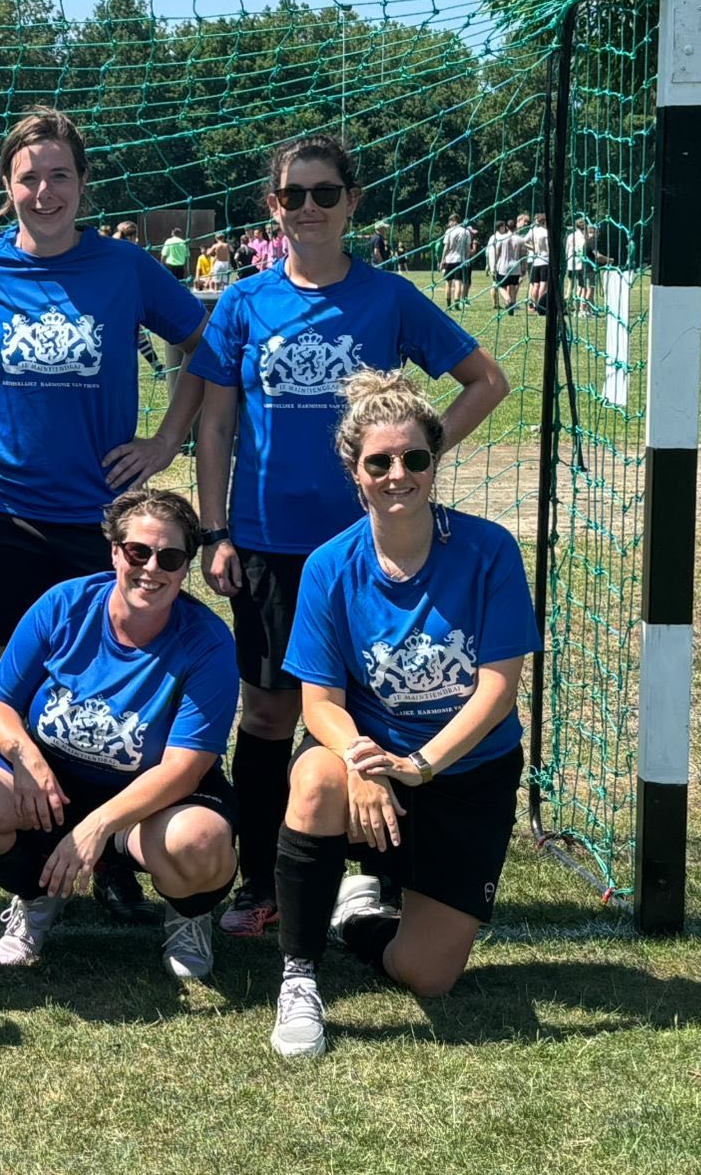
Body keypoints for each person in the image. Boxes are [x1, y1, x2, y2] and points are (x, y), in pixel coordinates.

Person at [188, 133, 508, 941]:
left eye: (324, 193)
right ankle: (261, 877)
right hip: (266, 540)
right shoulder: (244, 302)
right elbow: (216, 421)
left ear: (352, 201)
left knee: (377, 705)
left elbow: (485, 381)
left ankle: (376, 877)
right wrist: (217, 528)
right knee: (269, 712)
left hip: (372, 551)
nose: (308, 209)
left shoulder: (389, 297)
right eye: (292, 196)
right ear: (273, 207)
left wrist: (415, 463)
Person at [0, 104, 208, 923]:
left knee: (117, 694)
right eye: (29, 176)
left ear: (83, 182)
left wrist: (166, 439)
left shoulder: (124, 268)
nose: (44, 190)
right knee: (31, 696)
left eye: (59, 175)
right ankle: (42, 878)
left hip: (99, 520)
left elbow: (202, 342)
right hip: (2, 511)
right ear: (8, 186)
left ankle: (109, 851)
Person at [265, 370, 541, 1058]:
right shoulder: (330, 566)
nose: (398, 475)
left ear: (435, 461)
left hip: (463, 770)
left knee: (429, 975)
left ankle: (356, 917)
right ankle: (298, 978)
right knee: (315, 779)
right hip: (370, 756)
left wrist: (420, 766)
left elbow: (497, 690)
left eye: (414, 458)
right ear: (354, 472)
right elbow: (319, 703)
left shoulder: (488, 551)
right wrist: (363, 763)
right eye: (379, 462)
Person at [0, 487, 238, 979]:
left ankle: (187, 915)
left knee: (200, 842)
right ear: (115, 551)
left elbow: (186, 768)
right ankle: (38, 898)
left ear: (186, 567)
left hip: (151, 805)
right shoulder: (65, 604)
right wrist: (25, 758)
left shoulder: (206, 641)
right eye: (138, 552)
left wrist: (96, 827)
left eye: (170, 557)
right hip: (52, 789)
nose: (152, 568)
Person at [567, 217, 599, 312]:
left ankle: (572, 305)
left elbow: (567, 250)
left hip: (571, 263)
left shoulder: (570, 236)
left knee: (571, 286)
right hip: (581, 264)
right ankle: (583, 308)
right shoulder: (585, 238)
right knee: (583, 287)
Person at [525, 211, 552, 314]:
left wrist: (533, 248)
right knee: (543, 285)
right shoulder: (546, 232)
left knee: (535, 285)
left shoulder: (534, 231)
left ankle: (535, 304)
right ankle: (541, 305)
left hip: (536, 261)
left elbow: (524, 241)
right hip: (545, 260)